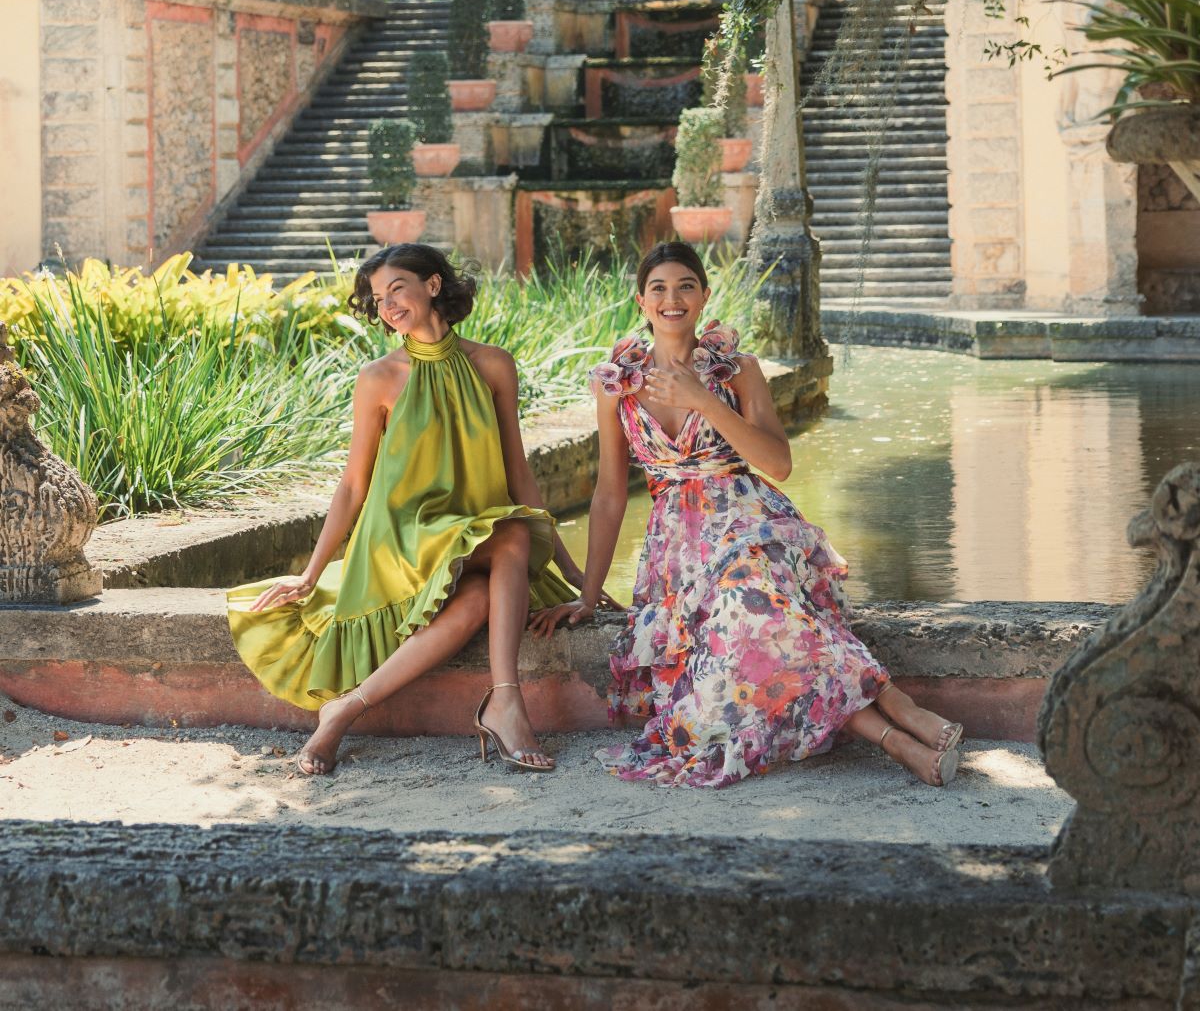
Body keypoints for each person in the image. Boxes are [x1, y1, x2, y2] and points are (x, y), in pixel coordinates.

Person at [530, 241, 964, 789]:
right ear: (641, 301)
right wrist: (589, 595)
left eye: (685, 286)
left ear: (705, 295)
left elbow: (778, 463)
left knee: (752, 605)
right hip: (680, 551)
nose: (672, 298)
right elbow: (610, 495)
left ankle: (903, 721)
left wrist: (704, 400)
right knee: (762, 630)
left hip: (750, 524)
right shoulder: (617, 384)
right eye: (658, 288)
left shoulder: (738, 371)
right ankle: (900, 735)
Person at [227, 243, 591, 776]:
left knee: (478, 597)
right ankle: (506, 705)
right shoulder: (379, 377)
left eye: (397, 288)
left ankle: (342, 712)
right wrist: (311, 572)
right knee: (510, 537)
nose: (388, 305)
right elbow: (353, 485)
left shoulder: (492, 364)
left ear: (434, 285)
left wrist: (574, 569)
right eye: (378, 298)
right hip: (400, 536)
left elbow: (519, 474)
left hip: (472, 532)